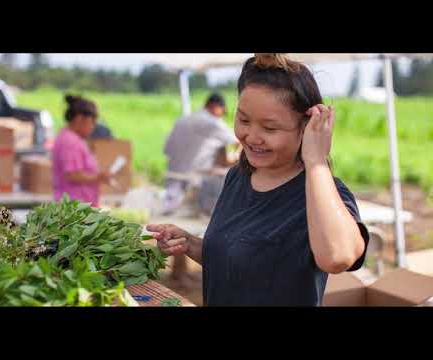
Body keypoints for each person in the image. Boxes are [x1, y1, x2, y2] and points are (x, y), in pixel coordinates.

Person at [147, 54, 370, 306]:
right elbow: (239, 262)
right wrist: (190, 244)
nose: (252, 136)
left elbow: (337, 258)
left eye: (270, 128)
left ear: (306, 128)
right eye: (243, 120)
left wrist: (316, 162)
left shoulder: (324, 193)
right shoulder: (237, 177)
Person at [161, 92, 239, 287]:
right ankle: (181, 274)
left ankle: (180, 271)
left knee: (178, 224)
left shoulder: (183, 120)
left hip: (175, 179)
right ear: (216, 107)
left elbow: (167, 149)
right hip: (196, 182)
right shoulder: (212, 122)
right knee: (194, 227)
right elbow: (239, 140)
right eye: (222, 112)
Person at [52, 95, 112, 207]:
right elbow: (73, 175)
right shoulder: (70, 141)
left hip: (78, 207)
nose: (93, 127)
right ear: (79, 118)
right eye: (92, 122)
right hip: (74, 208)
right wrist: (99, 177)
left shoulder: (69, 137)